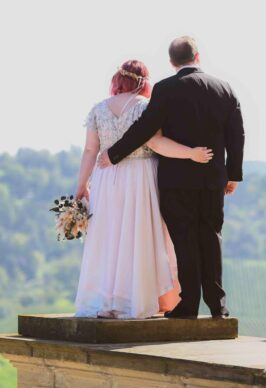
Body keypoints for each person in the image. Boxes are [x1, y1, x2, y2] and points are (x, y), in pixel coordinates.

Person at [98, 37, 245, 319]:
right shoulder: (224, 89)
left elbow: (145, 129)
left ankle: (188, 304)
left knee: (184, 239)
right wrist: (233, 174)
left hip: (176, 180)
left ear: (172, 62)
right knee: (211, 238)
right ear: (197, 56)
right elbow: (236, 134)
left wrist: (114, 154)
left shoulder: (165, 89)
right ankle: (218, 306)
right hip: (213, 178)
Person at [74, 59, 213, 319]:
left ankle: (110, 299)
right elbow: (157, 144)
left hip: (106, 178)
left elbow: (90, 151)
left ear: (117, 80)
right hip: (140, 177)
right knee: (140, 236)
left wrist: (82, 185)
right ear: (144, 82)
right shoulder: (145, 107)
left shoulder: (98, 109)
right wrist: (190, 154)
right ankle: (140, 298)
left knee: (111, 237)